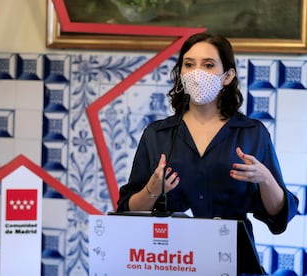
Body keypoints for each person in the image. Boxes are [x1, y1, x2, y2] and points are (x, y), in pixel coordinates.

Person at [116, 33, 299, 272]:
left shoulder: (252, 133)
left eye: (208, 65)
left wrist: (265, 179)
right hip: (170, 261)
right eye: (189, 64)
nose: (197, 72)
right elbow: (128, 213)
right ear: (181, 74)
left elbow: (278, 218)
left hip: (234, 261)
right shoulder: (157, 134)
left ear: (228, 76)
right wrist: (151, 190)